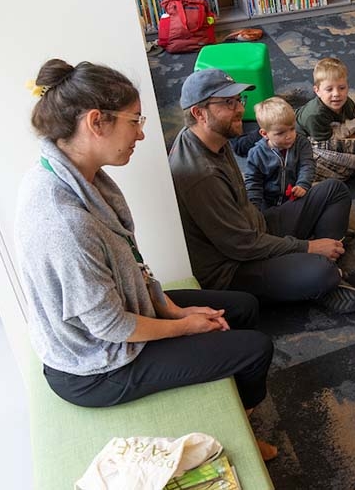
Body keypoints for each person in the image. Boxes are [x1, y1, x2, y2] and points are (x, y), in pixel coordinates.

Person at [16, 59, 278, 458]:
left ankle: (232, 402)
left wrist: (170, 308)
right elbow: (110, 326)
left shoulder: (79, 173)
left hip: (119, 314)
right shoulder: (64, 221)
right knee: (255, 348)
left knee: (242, 307)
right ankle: (242, 427)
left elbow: (132, 262)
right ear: (96, 122)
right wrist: (185, 327)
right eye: (134, 121)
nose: (141, 133)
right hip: (95, 367)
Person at [168, 68, 355, 313]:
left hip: (255, 229)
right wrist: (307, 247)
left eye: (239, 100)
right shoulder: (200, 174)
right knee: (320, 271)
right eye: (228, 102)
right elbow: (242, 246)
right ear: (199, 113)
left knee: (335, 190)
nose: (240, 109)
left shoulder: (211, 136)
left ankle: (318, 266)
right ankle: (323, 273)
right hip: (235, 267)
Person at [243, 96, 316, 210]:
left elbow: (307, 165)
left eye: (292, 129)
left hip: (295, 197)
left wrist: (303, 184)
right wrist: (254, 210)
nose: (289, 136)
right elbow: (253, 183)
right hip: (267, 203)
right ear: (264, 134)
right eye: (280, 133)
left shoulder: (301, 143)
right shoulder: (256, 154)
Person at [296, 57, 355, 142]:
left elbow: (351, 125)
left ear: (348, 87)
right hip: (299, 135)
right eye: (329, 89)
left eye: (342, 88)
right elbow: (328, 141)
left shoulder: (348, 103)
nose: (336, 94)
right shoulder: (314, 115)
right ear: (317, 91)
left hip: (326, 127)